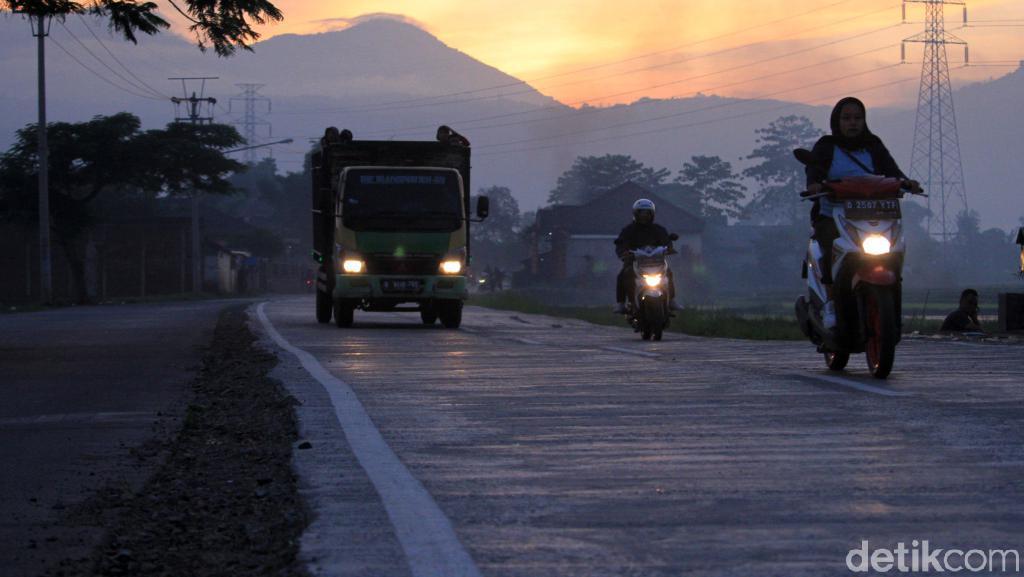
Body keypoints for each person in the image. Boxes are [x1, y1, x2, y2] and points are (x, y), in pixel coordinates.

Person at [805, 96, 921, 329]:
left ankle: (890, 303)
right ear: (837, 121)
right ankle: (829, 302)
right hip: (833, 215)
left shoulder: (873, 145)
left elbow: (892, 171)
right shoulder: (827, 146)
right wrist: (815, 185)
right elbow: (814, 171)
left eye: (858, 118)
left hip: (874, 216)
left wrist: (907, 183)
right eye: (847, 118)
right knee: (829, 245)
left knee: (896, 250)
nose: (853, 123)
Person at [612, 198, 680, 314]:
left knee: (668, 272)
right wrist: (623, 252)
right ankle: (621, 303)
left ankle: (671, 301)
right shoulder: (628, 230)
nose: (644, 216)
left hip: (656, 261)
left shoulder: (659, 229)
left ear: (652, 214)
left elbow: (666, 241)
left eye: (647, 213)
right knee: (623, 274)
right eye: (641, 213)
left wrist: (669, 248)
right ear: (635, 214)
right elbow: (621, 243)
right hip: (634, 261)